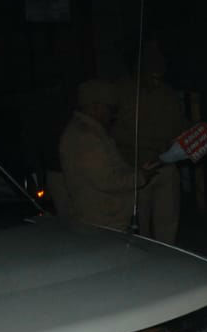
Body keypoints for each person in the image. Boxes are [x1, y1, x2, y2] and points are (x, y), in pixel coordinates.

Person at [114, 40, 189, 244]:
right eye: (151, 62)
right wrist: (149, 144)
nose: (158, 67)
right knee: (140, 227)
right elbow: (114, 133)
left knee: (168, 224)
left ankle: (168, 263)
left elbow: (179, 127)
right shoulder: (121, 93)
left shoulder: (168, 94)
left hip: (166, 167)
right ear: (137, 65)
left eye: (160, 62)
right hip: (136, 167)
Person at [58, 79, 157, 230]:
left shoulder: (89, 131)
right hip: (103, 220)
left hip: (101, 217)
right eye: (110, 108)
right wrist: (141, 177)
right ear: (95, 106)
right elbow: (107, 180)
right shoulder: (86, 136)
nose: (112, 115)